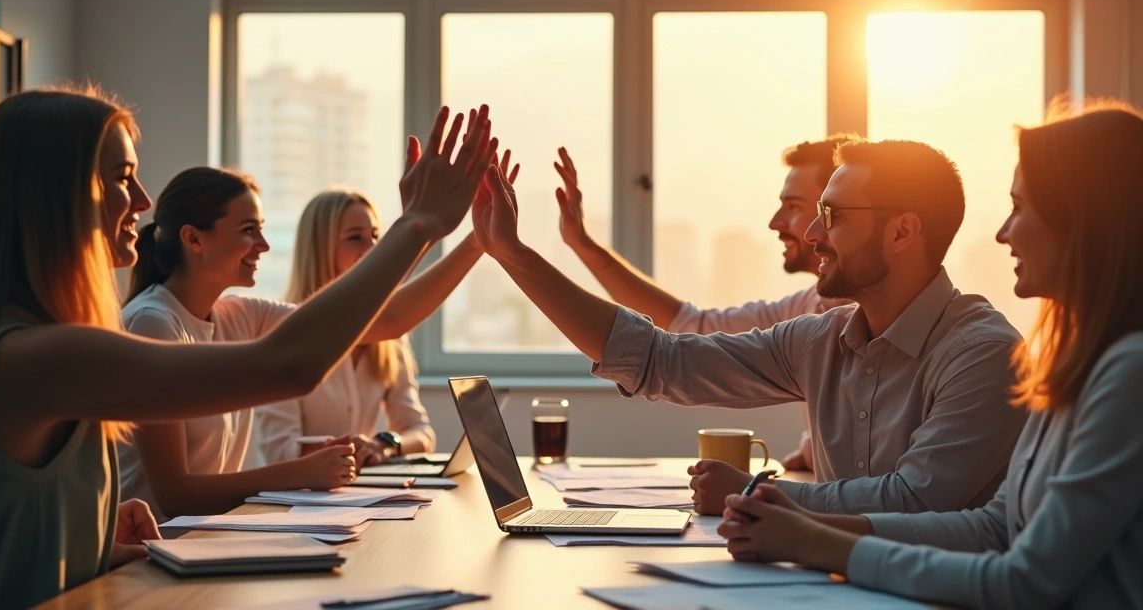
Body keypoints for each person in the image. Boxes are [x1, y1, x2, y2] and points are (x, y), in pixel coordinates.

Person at [0, 87, 495, 608]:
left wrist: (90, 538)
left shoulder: (37, 348)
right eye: (123, 178)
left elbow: (382, 319)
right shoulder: (37, 356)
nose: (143, 200)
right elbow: (291, 366)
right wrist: (417, 223)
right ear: (56, 194)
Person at [716, 100, 1143, 610]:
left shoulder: (1129, 373)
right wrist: (805, 525)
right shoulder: (1074, 366)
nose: (1003, 232)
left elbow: (1026, 582)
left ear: (1082, 222)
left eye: (1020, 207)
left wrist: (817, 543)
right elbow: (994, 528)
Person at [471, 139, 1026, 516]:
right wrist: (514, 254)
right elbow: (663, 360)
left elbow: (915, 503)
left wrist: (758, 494)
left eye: (832, 216)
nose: (812, 233)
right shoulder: (819, 339)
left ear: (902, 232)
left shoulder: (982, 353)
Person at [553, 138, 859, 470]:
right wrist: (582, 243)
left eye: (794, 206)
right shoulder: (807, 309)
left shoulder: (882, 326)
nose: (775, 222)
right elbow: (690, 326)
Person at [255, 155, 518, 467]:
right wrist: (352, 450)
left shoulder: (389, 339)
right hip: (298, 495)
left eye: (375, 236)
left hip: (358, 489)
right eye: (355, 238)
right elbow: (279, 451)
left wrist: (385, 444)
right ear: (319, 248)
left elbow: (420, 432)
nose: (372, 249)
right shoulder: (284, 330)